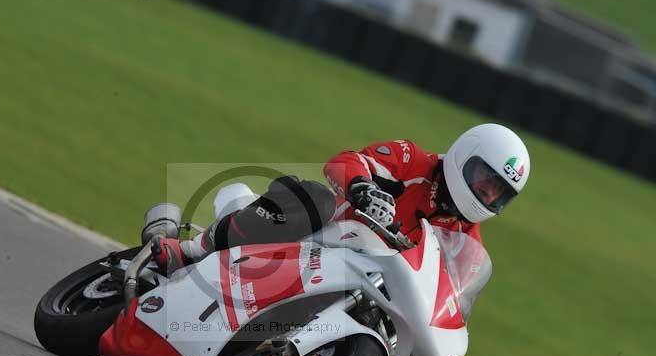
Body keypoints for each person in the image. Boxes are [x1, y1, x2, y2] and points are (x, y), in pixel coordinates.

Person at [152, 123, 530, 274]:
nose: (487, 192)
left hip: (360, 281)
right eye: (486, 179)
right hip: (313, 238)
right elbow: (345, 161)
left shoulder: (466, 237)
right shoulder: (412, 159)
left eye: (499, 191)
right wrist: (362, 188)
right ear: (466, 156)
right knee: (317, 198)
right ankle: (189, 250)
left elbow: (452, 304)